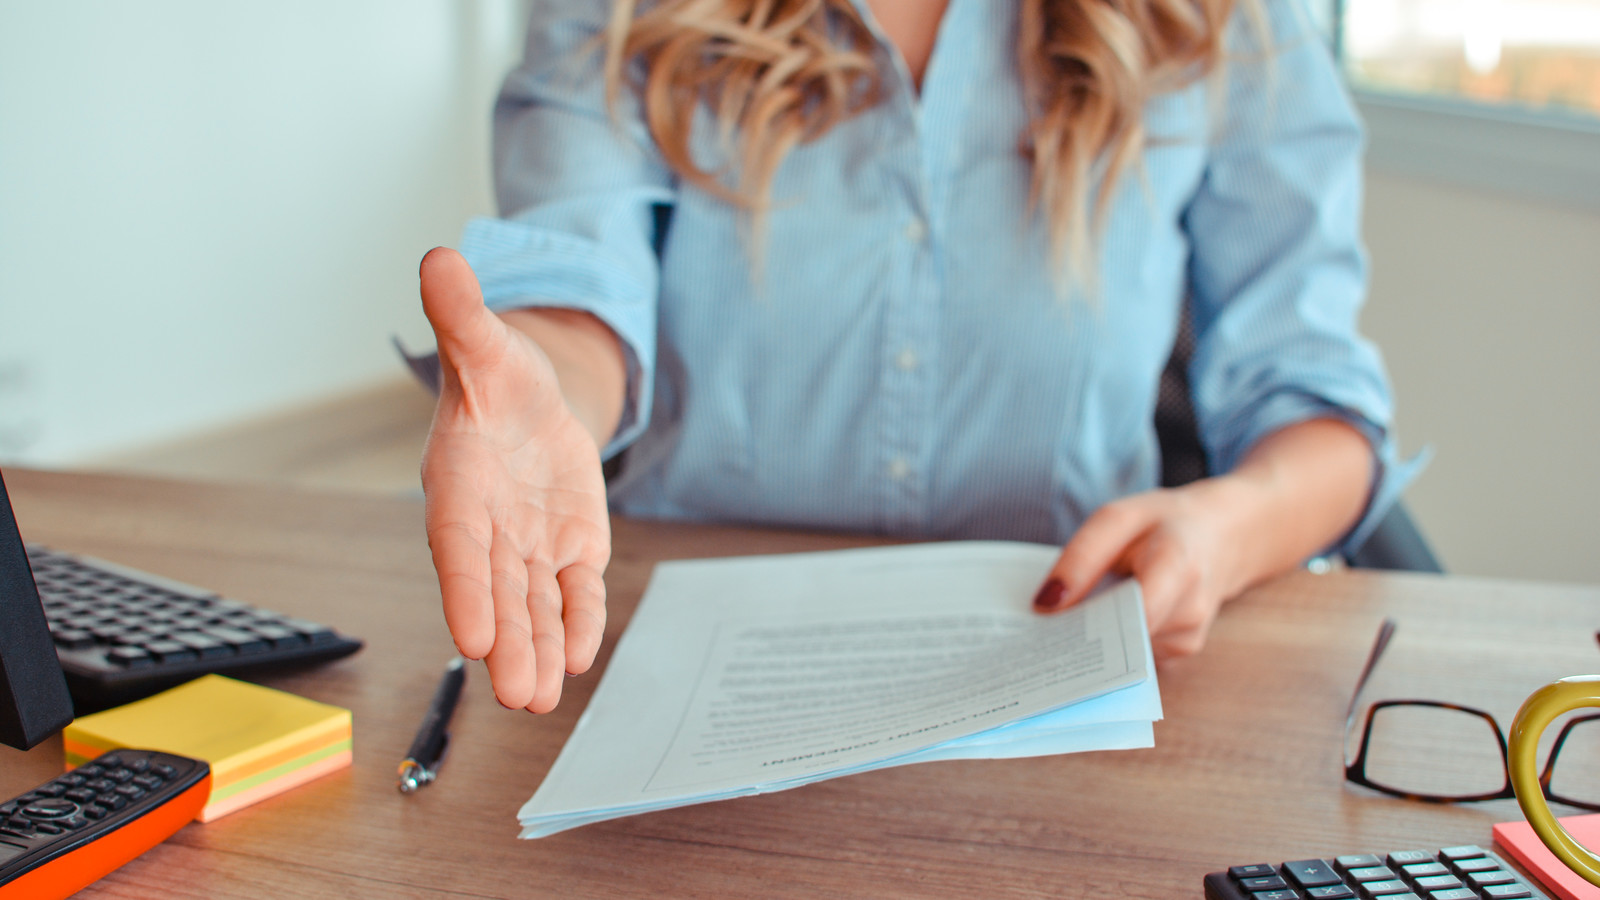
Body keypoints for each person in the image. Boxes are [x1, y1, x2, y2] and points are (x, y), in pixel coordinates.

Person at [417, 0, 1416, 714]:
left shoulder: (1230, 26)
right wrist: (542, 383)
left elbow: (1315, 404)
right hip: (677, 687)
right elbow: (580, 293)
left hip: (1065, 695)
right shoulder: (618, 14)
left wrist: (1226, 528)